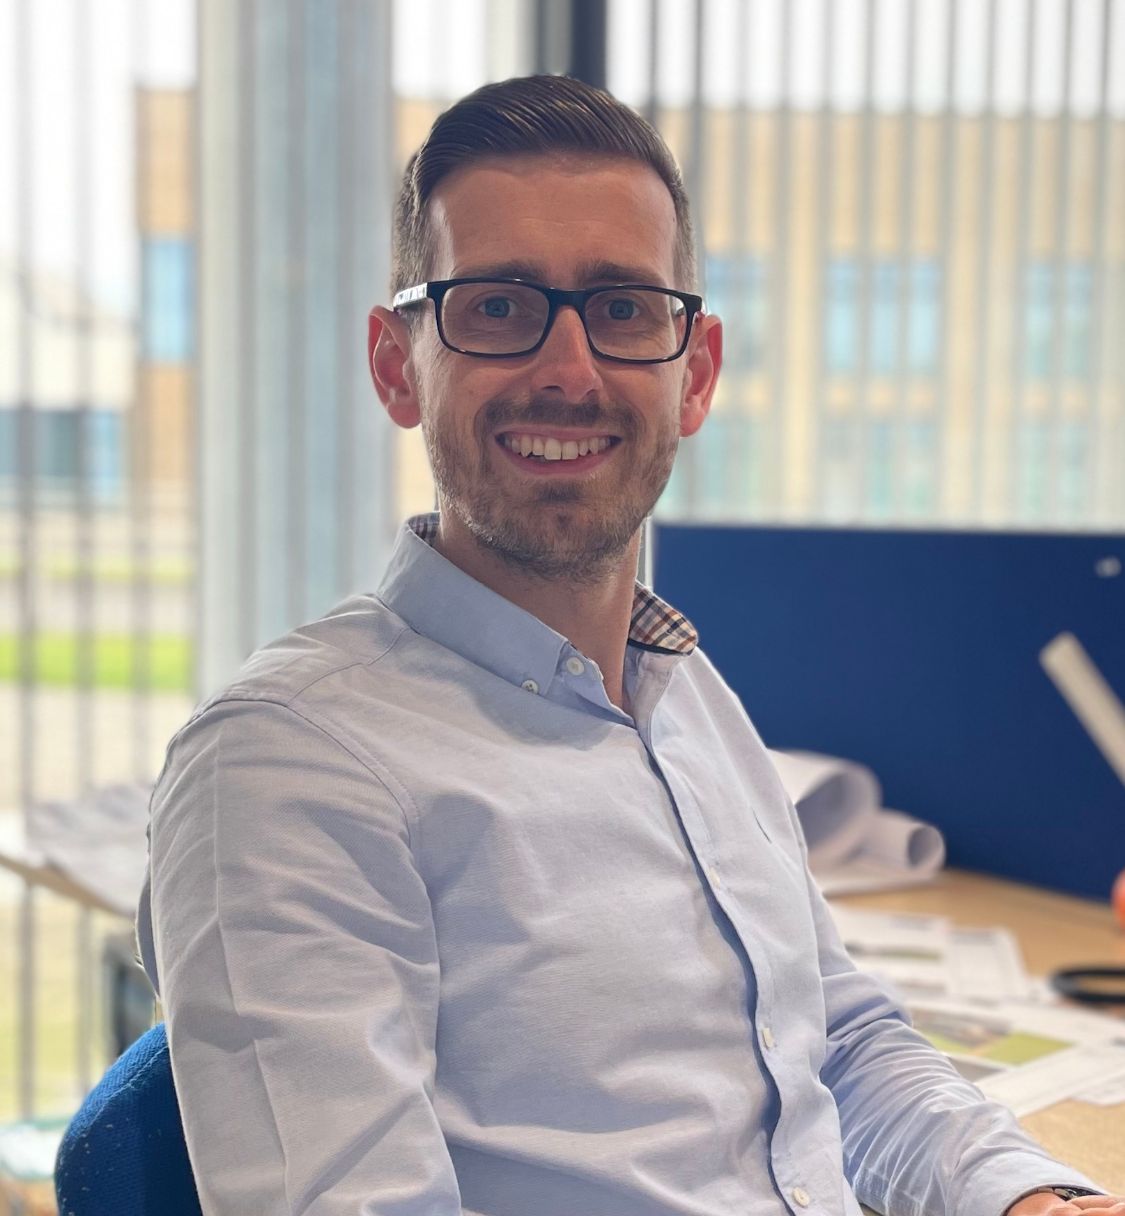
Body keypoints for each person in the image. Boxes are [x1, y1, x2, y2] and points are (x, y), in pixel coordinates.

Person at [137, 74, 1122, 1216]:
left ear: (693, 374)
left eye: (623, 309)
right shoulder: (287, 768)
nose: (570, 370)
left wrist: (1026, 1197)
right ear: (397, 365)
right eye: (496, 306)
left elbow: (840, 1040)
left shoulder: (684, 691)